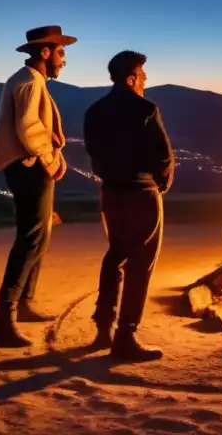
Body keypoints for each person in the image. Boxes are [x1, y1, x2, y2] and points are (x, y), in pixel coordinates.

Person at [0, 25, 74, 347]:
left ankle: (23, 303)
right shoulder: (27, 82)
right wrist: (49, 159)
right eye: (61, 52)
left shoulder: (30, 81)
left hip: (31, 165)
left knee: (40, 235)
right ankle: (3, 315)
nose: (64, 60)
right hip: (28, 167)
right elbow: (29, 127)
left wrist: (53, 155)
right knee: (32, 237)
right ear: (46, 52)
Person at [83, 50, 175, 361]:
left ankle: (103, 328)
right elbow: (163, 155)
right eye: (143, 76)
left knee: (115, 256)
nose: (146, 81)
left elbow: (94, 156)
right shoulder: (146, 109)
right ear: (132, 78)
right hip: (142, 194)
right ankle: (127, 335)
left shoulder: (94, 112)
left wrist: (111, 178)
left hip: (111, 195)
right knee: (140, 264)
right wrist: (159, 183)